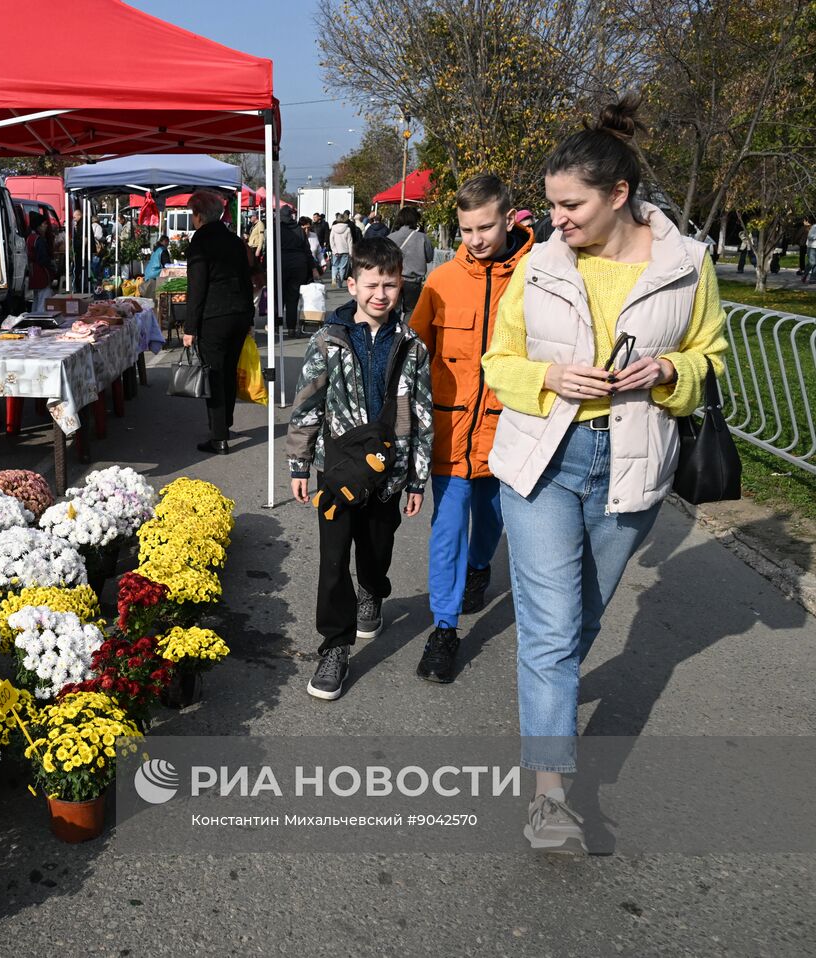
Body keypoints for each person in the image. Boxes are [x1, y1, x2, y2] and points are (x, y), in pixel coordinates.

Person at [481, 96, 727, 855]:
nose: (556, 219)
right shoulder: (539, 265)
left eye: (569, 204)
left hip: (631, 467)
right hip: (544, 462)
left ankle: (545, 694)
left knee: (581, 618)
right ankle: (549, 796)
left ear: (618, 195)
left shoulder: (688, 266)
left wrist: (668, 370)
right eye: (552, 205)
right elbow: (499, 364)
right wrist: (554, 375)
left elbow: (711, 360)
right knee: (552, 630)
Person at [287, 237, 433, 701]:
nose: (380, 294)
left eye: (390, 285)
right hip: (338, 473)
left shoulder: (413, 347)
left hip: (388, 477)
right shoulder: (328, 340)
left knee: (375, 551)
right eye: (371, 284)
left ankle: (373, 591)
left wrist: (416, 477)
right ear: (351, 284)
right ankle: (335, 645)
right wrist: (300, 462)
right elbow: (307, 403)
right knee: (333, 563)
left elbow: (424, 414)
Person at [408, 173, 534, 683]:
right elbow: (416, 353)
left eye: (486, 227)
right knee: (448, 526)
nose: (476, 239)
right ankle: (444, 629)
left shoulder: (538, 274)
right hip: (451, 427)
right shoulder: (441, 280)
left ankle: (481, 568)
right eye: (466, 230)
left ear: (508, 217)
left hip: (509, 429)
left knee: (491, 515)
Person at [182, 191, 255, 455]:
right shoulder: (234, 240)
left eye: (192, 214)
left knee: (214, 374)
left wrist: (190, 328)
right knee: (228, 371)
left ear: (198, 215)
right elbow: (246, 280)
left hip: (214, 316)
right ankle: (225, 424)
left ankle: (218, 437)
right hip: (239, 313)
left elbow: (197, 288)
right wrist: (250, 317)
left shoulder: (200, 242)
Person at [387, 206, 434, 316]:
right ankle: (408, 331)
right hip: (414, 280)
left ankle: (395, 331)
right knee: (411, 311)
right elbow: (429, 258)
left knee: (394, 311)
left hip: (394, 279)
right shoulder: (422, 238)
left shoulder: (390, 237)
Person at [278, 206, 319, 331]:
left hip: (280, 264)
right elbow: (307, 251)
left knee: (277, 297)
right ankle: (291, 328)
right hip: (298, 266)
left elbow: (269, 249)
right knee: (293, 297)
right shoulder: (299, 230)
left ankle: (276, 325)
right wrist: (313, 268)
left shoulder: (276, 228)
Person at [26, 211, 54, 312]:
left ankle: (34, 318)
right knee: (44, 299)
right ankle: (40, 320)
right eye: (44, 224)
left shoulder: (30, 238)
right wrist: (52, 268)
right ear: (39, 226)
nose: (46, 226)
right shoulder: (39, 239)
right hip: (41, 272)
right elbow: (43, 259)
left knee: (36, 299)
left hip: (33, 271)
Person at [141, 233, 171, 298]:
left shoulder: (155, 249)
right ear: (164, 241)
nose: (168, 244)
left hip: (148, 271)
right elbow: (167, 264)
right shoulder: (163, 250)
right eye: (167, 242)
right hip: (155, 272)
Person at [329, 212, 354, 289]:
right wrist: (350, 252)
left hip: (336, 251)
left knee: (334, 266)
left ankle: (333, 278)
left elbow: (331, 240)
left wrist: (334, 250)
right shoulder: (348, 229)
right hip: (345, 251)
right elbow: (350, 241)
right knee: (342, 267)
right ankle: (340, 283)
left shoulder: (333, 228)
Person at [804, 217, 816, 283]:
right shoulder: (814, 227)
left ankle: (813, 279)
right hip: (812, 247)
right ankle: (805, 275)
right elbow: (810, 236)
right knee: (812, 263)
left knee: (815, 264)